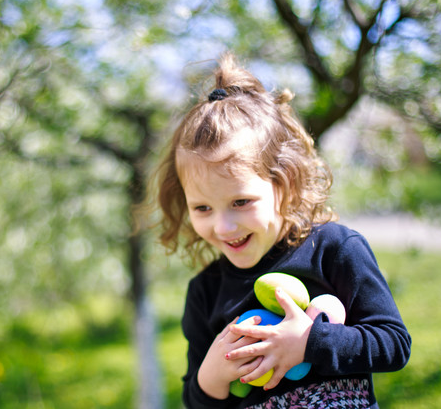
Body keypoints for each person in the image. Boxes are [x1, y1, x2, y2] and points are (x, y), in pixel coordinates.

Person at [149, 53, 411, 409]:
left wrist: (308, 342)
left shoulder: (333, 249)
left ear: (283, 184)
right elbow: (197, 403)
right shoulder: (205, 293)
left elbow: (393, 343)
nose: (223, 226)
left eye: (241, 201)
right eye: (202, 208)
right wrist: (209, 376)